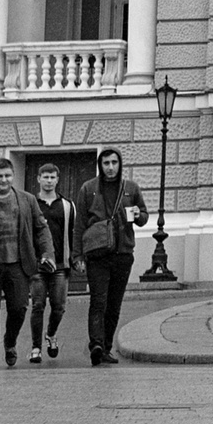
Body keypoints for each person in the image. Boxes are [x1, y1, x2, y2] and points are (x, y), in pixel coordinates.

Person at [0, 156, 54, 370]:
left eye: (7, 176)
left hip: (18, 263)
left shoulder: (27, 200)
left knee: (19, 308)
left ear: (13, 176)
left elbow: (41, 228)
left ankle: (10, 342)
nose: (3, 180)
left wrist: (47, 252)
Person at [76, 148, 149, 366]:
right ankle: (96, 345)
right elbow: (79, 224)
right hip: (97, 254)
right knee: (98, 300)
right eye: (106, 163)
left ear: (120, 164)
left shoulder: (130, 188)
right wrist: (77, 255)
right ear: (100, 165)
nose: (110, 167)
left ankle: (106, 346)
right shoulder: (88, 189)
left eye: (114, 162)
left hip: (123, 253)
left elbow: (144, 217)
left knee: (114, 304)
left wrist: (138, 215)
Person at [27, 163, 77, 364]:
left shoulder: (67, 205)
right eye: (45, 177)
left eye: (52, 177)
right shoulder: (31, 204)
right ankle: (36, 347)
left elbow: (74, 233)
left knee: (59, 307)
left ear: (57, 180)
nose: (49, 181)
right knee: (37, 305)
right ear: (38, 179)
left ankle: (51, 333)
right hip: (37, 265)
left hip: (60, 265)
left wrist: (75, 258)